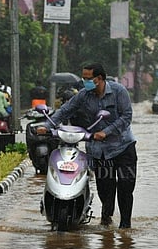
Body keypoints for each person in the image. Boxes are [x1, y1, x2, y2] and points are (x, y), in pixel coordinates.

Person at [37, 63, 137, 229]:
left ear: (100, 79)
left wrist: (106, 132)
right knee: (105, 189)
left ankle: (125, 227)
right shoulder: (84, 95)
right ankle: (106, 218)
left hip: (123, 147)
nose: (85, 81)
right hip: (99, 151)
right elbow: (65, 110)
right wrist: (47, 126)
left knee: (126, 187)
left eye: (88, 78)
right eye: (83, 78)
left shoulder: (119, 91)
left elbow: (126, 117)